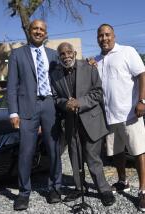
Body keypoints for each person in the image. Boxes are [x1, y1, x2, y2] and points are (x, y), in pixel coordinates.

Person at [94, 23, 145, 212]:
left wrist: (142, 100)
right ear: (97, 39)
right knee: (117, 152)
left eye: (107, 34)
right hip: (109, 117)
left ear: (114, 36)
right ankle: (123, 181)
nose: (104, 38)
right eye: (101, 35)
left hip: (130, 115)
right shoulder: (96, 61)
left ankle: (143, 191)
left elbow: (142, 75)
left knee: (138, 151)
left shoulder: (127, 52)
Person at [50, 42, 115, 206]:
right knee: (74, 156)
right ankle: (80, 188)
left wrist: (79, 102)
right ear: (59, 57)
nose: (66, 56)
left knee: (93, 157)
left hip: (91, 120)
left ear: (75, 52)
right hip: (71, 122)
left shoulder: (89, 67)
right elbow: (56, 97)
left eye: (69, 52)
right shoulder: (56, 74)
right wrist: (65, 104)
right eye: (62, 54)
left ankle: (103, 189)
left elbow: (98, 92)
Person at [7, 19, 62, 211]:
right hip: (27, 108)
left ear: (46, 33)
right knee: (26, 152)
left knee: (54, 149)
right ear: (29, 31)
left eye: (42, 29)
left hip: (50, 105)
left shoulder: (54, 55)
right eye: (35, 28)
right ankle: (23, 193)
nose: (38, 31)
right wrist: (13, 112)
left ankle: (55, 188)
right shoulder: (17, 54)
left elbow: (63, 78)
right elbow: (12, 85)